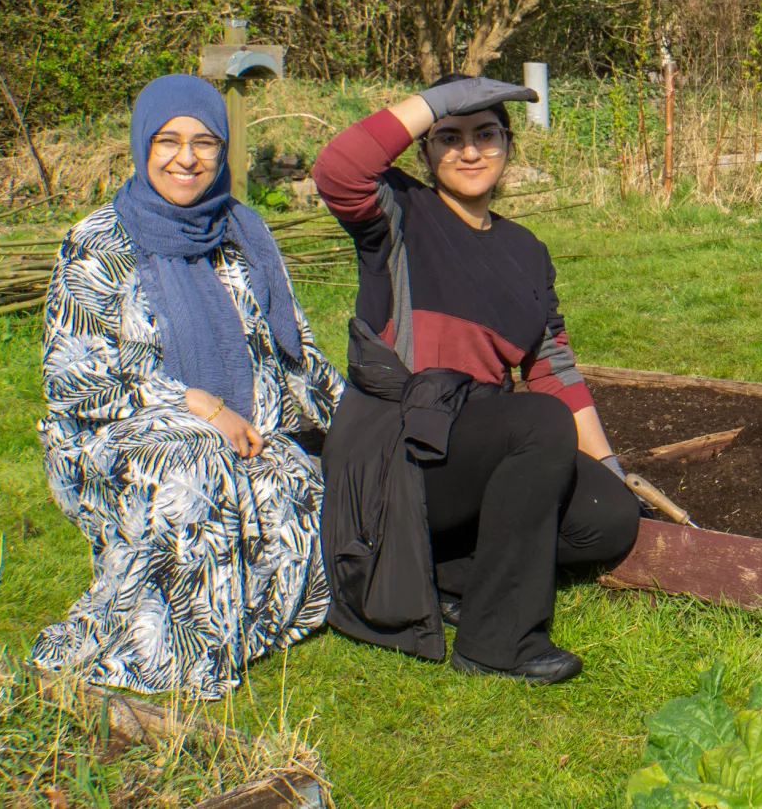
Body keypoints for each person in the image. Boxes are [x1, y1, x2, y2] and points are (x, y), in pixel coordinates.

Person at [312, 74, 638, 686]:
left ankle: (449, 574)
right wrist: (440, 98)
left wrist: (610, 465)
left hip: (471, 449)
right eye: (449, 137)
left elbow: (551, 365)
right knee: (536, 426)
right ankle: (497, 640)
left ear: (508, 146)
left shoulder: (526, 249)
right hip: (397, 454)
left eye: (486, 135)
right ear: (425, 150)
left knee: (609, 516)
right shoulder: (399, 213)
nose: (469, 151)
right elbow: (337, 168)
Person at [32, 75, 343, 699]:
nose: (187, 158)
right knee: (191, 461)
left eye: (204, 143)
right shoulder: (96, 244)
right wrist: (192, 403)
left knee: (302, 477)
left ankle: (241, 624)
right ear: (142, 146)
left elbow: (294, 348)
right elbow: (75, 384)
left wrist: (355, 413)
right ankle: (159, 655)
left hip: (242, 429)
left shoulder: (243, 233)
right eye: (168, 141)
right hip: (111, 434)